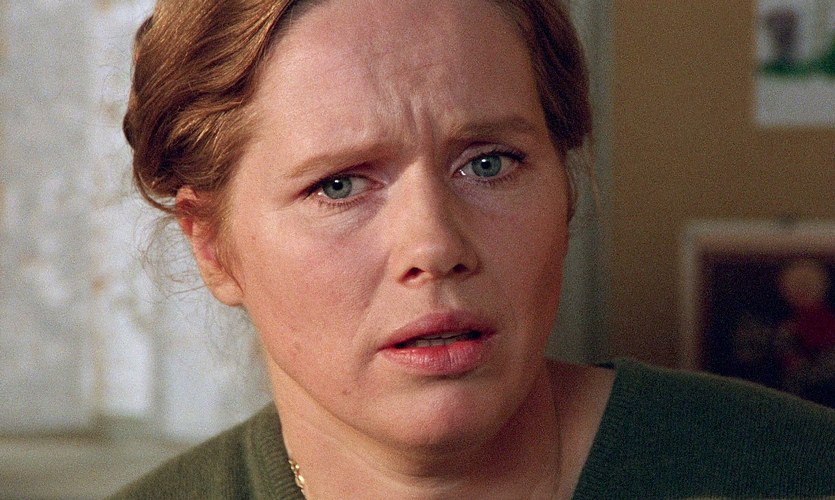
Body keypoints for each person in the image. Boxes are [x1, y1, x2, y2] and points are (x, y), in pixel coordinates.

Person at [113, 0, 835, 498]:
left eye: (487, 163)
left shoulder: (799, 470)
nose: (435, 246)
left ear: (566, 186)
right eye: (339, 185)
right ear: (212, 247)